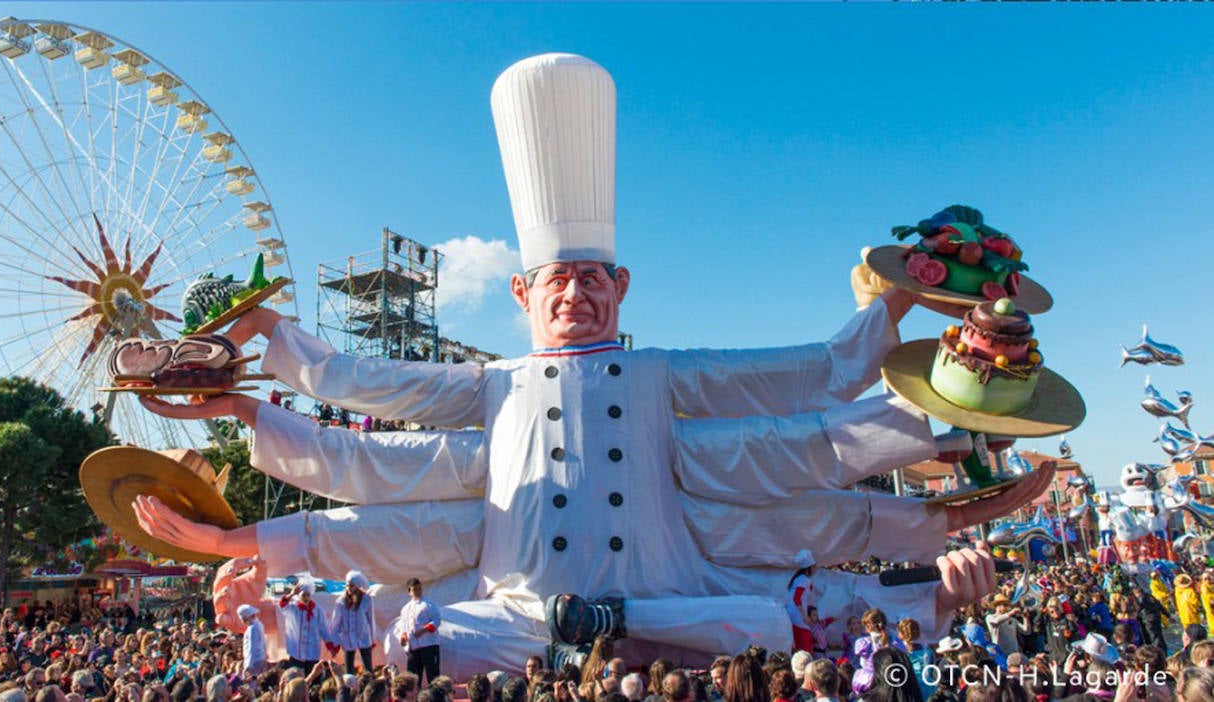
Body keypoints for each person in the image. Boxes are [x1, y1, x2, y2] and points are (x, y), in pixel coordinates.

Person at [132, 53, 1053, 676]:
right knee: (409, 630)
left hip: (688, 612)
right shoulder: (490, 390)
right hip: (503, 623)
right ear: (522, 300)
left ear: (622, 287)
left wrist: (905, 323)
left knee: (777, 613)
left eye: (589, 278)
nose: (573, 293)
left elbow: (802, 408)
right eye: (552, 281)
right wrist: (248, 414)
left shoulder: (663, 375)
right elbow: (364, 430)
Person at [277, 579, 330, 675]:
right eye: (303, 595)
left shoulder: (317, 611)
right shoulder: (293, 608)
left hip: (312, 652)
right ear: (299, 596)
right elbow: (282, 605)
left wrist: (330, 644)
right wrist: (291, 594)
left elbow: (324, 628)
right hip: (296, 652)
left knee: (312, 676)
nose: (306, 598)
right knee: (296, 677)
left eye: (308, 595)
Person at [395, 578, 442, 685]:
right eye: (415, 589)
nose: (418, 591)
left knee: (433, 675)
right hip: (413, 647)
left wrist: (424, 630)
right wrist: (403, 637)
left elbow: (437, 620)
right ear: (409, 592)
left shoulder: (428, 604)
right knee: (413, 678)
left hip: (429, 645)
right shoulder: (405, 609)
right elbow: (403, 627)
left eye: (419, 588)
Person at [329, 572, 374, 673]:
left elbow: (371, 619)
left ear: (357, 586)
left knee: (368, 666)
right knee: (349, 667)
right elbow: (336, 623)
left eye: (352, 586)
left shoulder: (366, 599)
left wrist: (372, 638)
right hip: (348, 637)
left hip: (363, 636)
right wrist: (334, 641)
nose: (349, 588)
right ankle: (349, 685)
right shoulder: (340, 601)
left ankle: (369, 683)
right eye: (347, 585)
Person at [851, 610, 898, 694]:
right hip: (890, 679)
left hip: (870, 682)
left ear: (869, 625)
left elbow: (863, 664)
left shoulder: (863, 642)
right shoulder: (894, 641)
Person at [239, 605, 266, 678]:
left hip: (254, 661)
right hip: (260, 659)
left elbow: (252, 647)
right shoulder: (259, 625)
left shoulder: (252, 628)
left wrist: (248, 665)